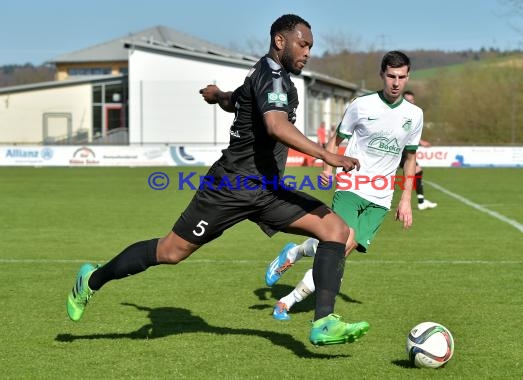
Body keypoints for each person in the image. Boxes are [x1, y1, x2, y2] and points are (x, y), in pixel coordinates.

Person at [65, 14, 369, 346]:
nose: (307, 52)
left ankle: (323, 322)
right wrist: (328, 155)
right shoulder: (272, 76)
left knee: (336, 231)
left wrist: (216, 95)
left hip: (267, 191)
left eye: (310, 46)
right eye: (302, 44)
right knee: (171, 252)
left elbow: (235, 100)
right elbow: (277, 127)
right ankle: (92, 279)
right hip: (230, 187)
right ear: (280, 41)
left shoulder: (267, 75)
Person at [264, 51, 423, 321]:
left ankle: (295, 253)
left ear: (408, 77)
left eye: (401, 77)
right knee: (339, 243)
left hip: (382, 196)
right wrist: (328, 168)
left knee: (341, 252)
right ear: (382, 75)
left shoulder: (414, 115)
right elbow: (336, 140)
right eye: (391, 76)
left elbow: (410, 158)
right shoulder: (361, 105)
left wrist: (405, 199)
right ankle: (286, 303)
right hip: (352, 184)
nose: (396, 83)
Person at [400, 90, 437, 210]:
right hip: (397, 150)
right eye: (407, 100)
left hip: (406, 151)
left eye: (412, 100)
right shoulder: (399, 114)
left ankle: (421, 201)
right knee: (384, 175)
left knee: (417, 171)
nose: (410, 102)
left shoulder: (415, 114)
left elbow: (411, 133)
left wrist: (420, 141)